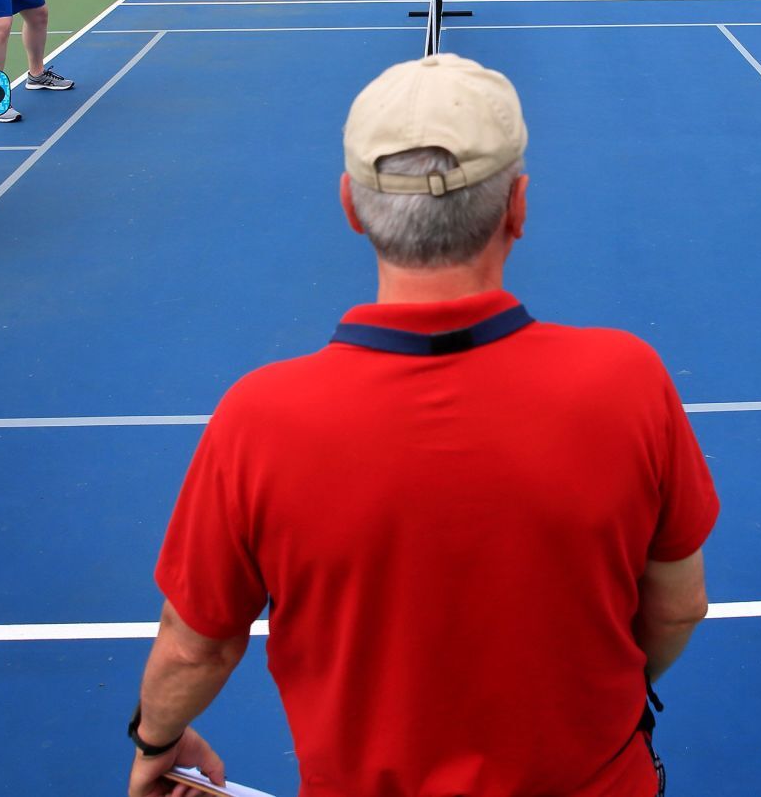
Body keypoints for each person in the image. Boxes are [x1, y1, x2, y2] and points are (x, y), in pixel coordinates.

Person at [127, 53, 719, 797]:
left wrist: (157, 740)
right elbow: (677, 607)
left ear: (350, 205)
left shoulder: (258, 418)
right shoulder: (629, 380)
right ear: (518, 207)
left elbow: (194, 651)